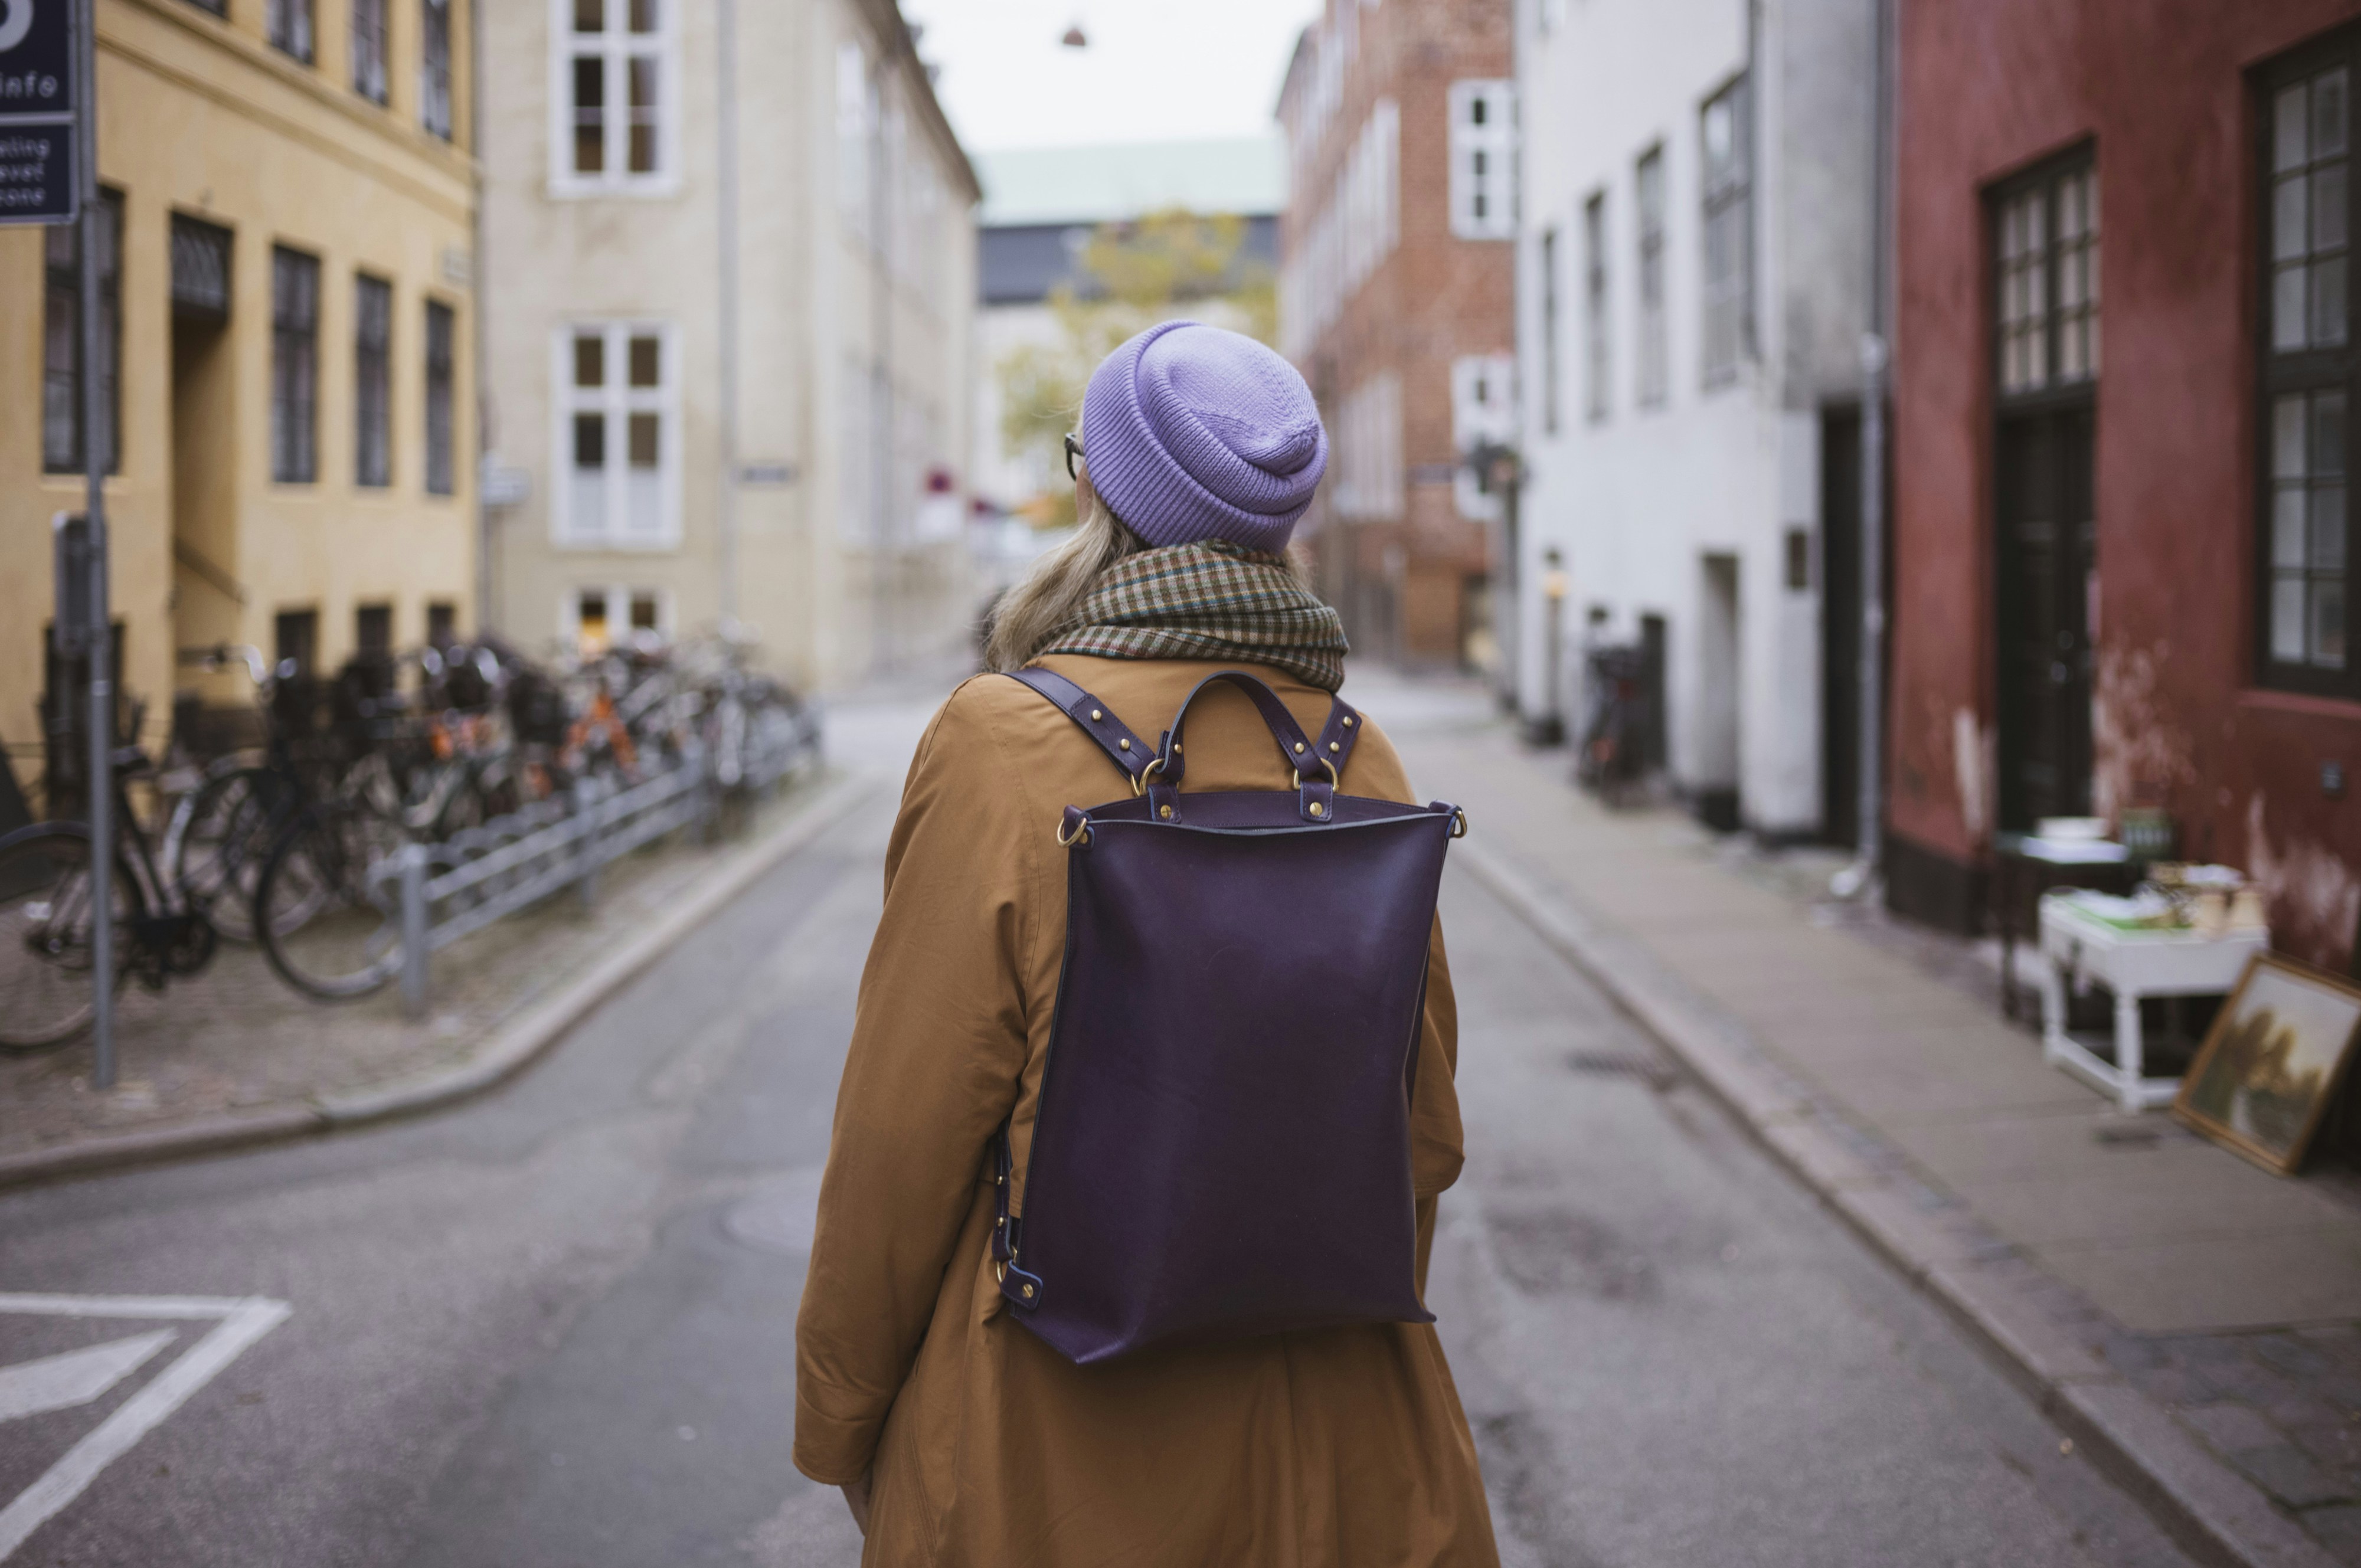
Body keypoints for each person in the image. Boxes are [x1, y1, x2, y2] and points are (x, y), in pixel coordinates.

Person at [793, 320, 1500, 1566]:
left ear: (1094, 492)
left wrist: (842, 1420)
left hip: (1051, 1446)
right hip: (1345, 1456)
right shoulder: (1356, 753)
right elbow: (1422, 1135)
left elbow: (899, 1145)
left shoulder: (998, 743)